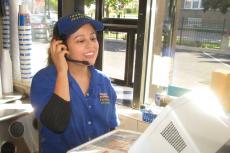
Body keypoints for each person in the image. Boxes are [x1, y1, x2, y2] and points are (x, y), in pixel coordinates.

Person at [30, 12, 120, 153]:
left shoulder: (104, 82)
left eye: (93, 38)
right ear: (61, 46)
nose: (91, 46)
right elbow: (57, 124)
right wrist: (61, 72)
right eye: (80, 41)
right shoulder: (43, 80)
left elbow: (111, 131)